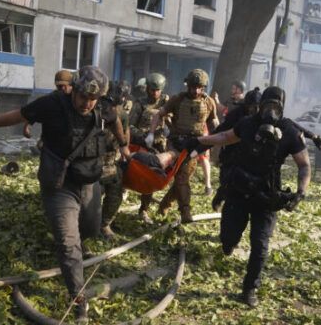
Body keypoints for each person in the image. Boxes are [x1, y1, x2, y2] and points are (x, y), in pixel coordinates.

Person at [0, 66, 129, 323]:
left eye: (93, 99)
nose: (87, 103)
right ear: (74, 89)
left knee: (91, 230)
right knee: (68, 243)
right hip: (59, 184)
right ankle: (78, 299)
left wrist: (124, 145)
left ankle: (76, 246)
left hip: (89, 181)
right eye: (83, 97)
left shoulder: (103, 107)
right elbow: (18, 115)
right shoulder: (53, 104)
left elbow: (114, 121)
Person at [195, 86, 311, 307]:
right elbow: (224, 137)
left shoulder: (289, 131)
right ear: (260, 105)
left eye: (276, 107)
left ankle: (249, 288)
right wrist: (200, 141)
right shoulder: (248, 124)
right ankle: (228, 244)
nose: (271, 111)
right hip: (239, 191)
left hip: (267, 197)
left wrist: (301, 192)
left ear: (282, 108)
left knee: (260, 245)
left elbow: (304, 165)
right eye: (268, 105)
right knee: (228, 239)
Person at [212, 87, 321, 213]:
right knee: (231, 173)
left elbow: (291, 125)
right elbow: (221, 132)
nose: (255, 110)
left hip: (258, 153)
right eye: (252, 107)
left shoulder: (271, 117)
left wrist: (313, 136)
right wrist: (203, 142)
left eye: (257, 106)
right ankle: (222, 193)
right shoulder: (238, 115)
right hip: (235, 147)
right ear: (247, 106)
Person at [149, 69, 219, 223]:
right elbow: (159, 114)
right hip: (176, 144)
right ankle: (185, 211)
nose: (196, 90)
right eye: (193, 87)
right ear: (188, 85)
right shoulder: (176, 99)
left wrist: (218, 138)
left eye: (199, 87)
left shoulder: (208, 102)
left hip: (195, 145)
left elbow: (214, 122)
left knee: (183, 178)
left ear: (204, 87)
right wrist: (151, 133)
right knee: (180, 177)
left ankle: (164, 206)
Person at [129, 72, 170, 224]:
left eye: (157, 90)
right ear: (147, 89)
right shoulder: (139, 104)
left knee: (152, 178)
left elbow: (173, 119)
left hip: (160, 146)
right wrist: (143, 136)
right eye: (151, 90)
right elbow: (130, 126)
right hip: (142, 146)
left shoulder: (167, 102)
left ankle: (143, 210)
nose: (154, 93)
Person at [100, 80, 131, 239]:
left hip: (112, 161)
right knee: (89, 198)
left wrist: (127, 155)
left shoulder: (122, 115)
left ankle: (105, 224)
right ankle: (84, 226)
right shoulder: (93, 109)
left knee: (115, 195)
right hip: (90, 161)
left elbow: (125, 135)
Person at [23, 69, 72, 139]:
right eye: (60, 86)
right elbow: (33, 112)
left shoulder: (75, 99)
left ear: (71, 85)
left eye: (65, 86)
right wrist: (25, 128)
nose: (62, 88)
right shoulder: (50, 99)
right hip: (50, 140)